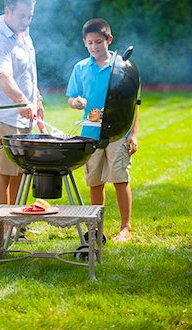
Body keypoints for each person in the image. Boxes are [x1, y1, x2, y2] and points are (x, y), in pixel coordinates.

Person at [66, 18, 139, 242]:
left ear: (109, 40)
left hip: (117, 132)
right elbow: (71, 97)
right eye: (89, 43)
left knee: (120, 179)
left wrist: (133, 134)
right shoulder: (80, 68)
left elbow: (133, 104)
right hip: (90, 132)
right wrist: (75, 102)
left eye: (99, 42)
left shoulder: (121, 68)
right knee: (95, 181)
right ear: (84, 43)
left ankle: (125, 228)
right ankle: (97, 227)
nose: (94, 47)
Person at [0, 0, 44, 209]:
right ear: (7, 11)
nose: (26, 21)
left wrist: (37, 100)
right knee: (3, 170)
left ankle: (17, 222)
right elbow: (3, 77)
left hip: (23, 115)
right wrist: (23, 101)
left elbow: (28, 72)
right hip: (2, 115)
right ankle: (4, 224)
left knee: (20, 170)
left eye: (30, 16)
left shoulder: (23, 31)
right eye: (21, 16)